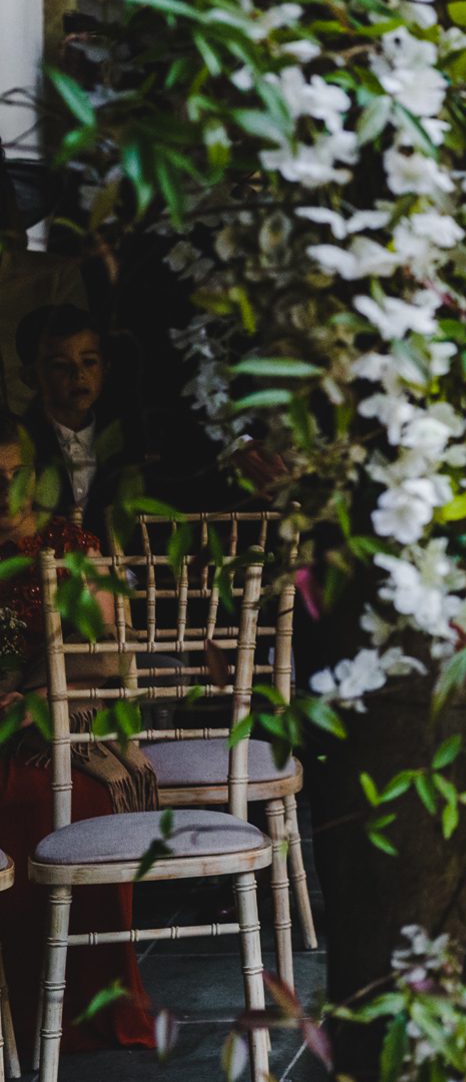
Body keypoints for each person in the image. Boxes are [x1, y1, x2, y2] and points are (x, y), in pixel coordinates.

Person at [0, 415, 155, 1052]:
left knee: (39, 801)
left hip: (68, 736)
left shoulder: (75, 551)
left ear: (36, 482)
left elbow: (107, 667)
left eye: (14, 478)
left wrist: (36, 702)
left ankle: (70, 1014)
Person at [15, 306, 141, 548]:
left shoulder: (127, 438)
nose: (79, 375)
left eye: (89, 362)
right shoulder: (19, 446)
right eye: (60, 365)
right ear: (31, 377)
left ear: (106, 368)